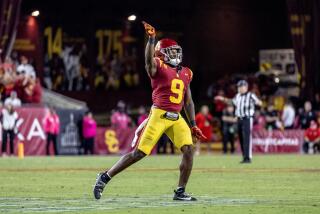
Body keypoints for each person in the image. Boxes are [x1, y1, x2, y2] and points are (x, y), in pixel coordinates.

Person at [93, 21, 206, 201]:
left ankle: (180, 191)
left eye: (177, 51)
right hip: (159, 114)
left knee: (189, 150)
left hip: (176, 118)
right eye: (171, 52)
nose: (176, 55)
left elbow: (189, 101)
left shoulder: (186, 72)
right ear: (161, 54)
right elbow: (147, 61)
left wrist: (192, 124)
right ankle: (105, 177)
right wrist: (151, 40)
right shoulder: (157, 66)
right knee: (139, 153)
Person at [215, 80, 262, 163]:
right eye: (239, 87)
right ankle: (244, 157)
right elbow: (231, 102)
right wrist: (222, 98)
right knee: (241, 138)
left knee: (247, 138)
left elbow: (259, 102)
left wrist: (259, 102)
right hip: (239, 119)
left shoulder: (250, 95)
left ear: (246, 87)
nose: (239, 88)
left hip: (247, 118)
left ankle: (248, 157)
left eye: (241, 86)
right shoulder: (238, 96)